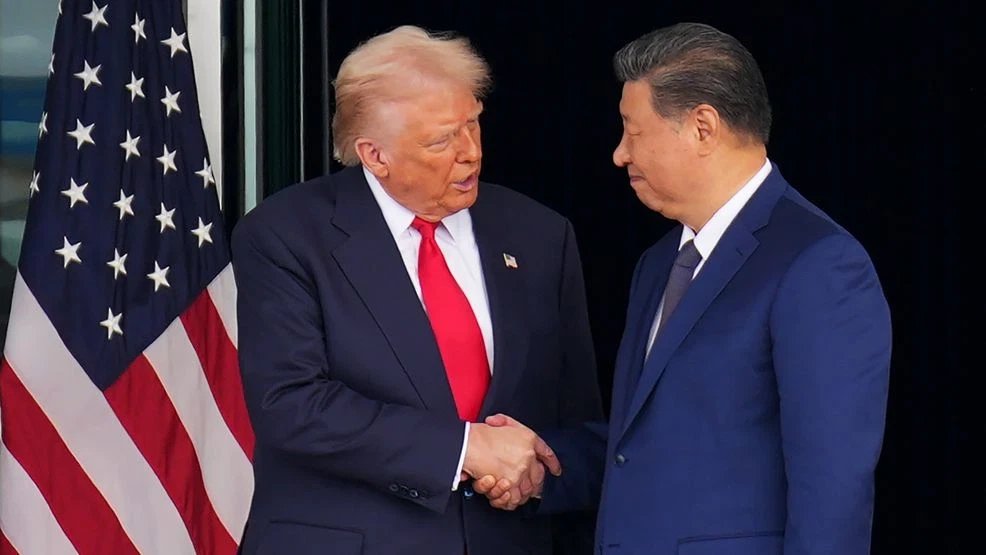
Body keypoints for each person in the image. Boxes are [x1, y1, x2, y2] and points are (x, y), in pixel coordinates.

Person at [476, 22, 892, 555]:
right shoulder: (657, 265)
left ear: (702, 127)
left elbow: (833, 488)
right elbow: (650, 444)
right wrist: (543, 462)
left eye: (634, 130)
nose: (619, 154)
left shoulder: (818, 263)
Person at [230, 25, 602, 555]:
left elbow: (577, 416)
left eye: (473, 125)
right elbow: (291, 403)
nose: (470, 152)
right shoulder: (286, 234)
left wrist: (539, 477)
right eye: (441, 140)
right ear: (374, 155)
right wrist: (465, 448)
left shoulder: (539, 234)